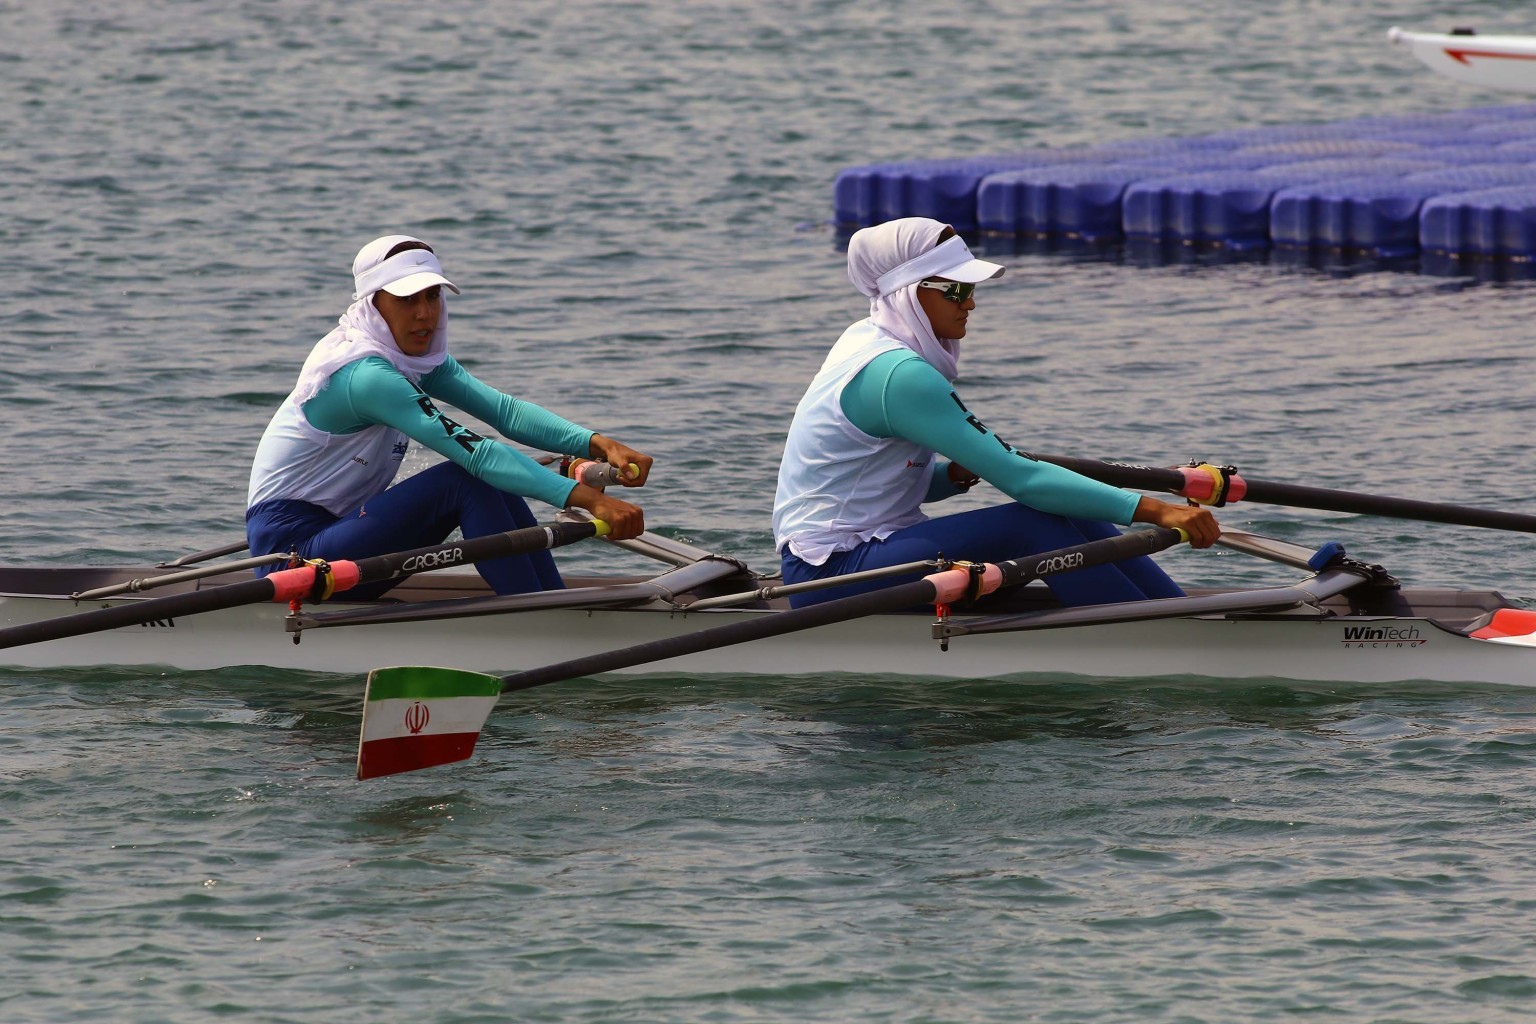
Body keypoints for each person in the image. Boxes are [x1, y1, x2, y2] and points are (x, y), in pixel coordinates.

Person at [772, 217, 1219, 609]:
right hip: (832, 572)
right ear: (909, 293)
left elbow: (868, 486)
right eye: (956, 289)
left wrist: (951, 477)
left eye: (971, 288)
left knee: (1073, 510)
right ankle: (1147, 639)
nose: (970, 303)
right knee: (1032, 520)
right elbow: (1023, 479)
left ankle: (1169, 612)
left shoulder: (868, 339)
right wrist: (1161, 512)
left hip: (866, 549)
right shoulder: (900, 375)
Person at [246, 234, 651, 599]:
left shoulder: (413, 360)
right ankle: (539, 617)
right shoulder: (364, 376)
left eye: (432, 296)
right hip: (294, 559)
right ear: (373, 304)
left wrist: (600, 443)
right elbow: (475, 454)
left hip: (340, 540)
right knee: (467, 478)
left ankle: (549, 604)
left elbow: (504, 412)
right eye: (407, 300)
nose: (425, 314)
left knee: (489, 475)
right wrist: (591, 501)